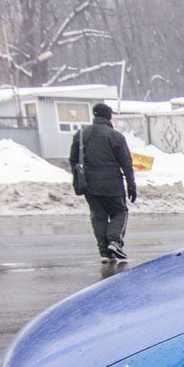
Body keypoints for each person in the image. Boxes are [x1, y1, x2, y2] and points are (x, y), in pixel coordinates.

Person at [70, 102, 137, 262]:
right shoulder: (115, 136)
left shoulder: (80, 135)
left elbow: (73, 160)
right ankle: (114, 241)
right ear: (109, 116)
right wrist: (131, 185)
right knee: (120, 212)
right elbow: (126, 163)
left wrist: (81, 176)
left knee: (98, 216)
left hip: (89, 185)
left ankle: (104, 253)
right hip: (112, 184)